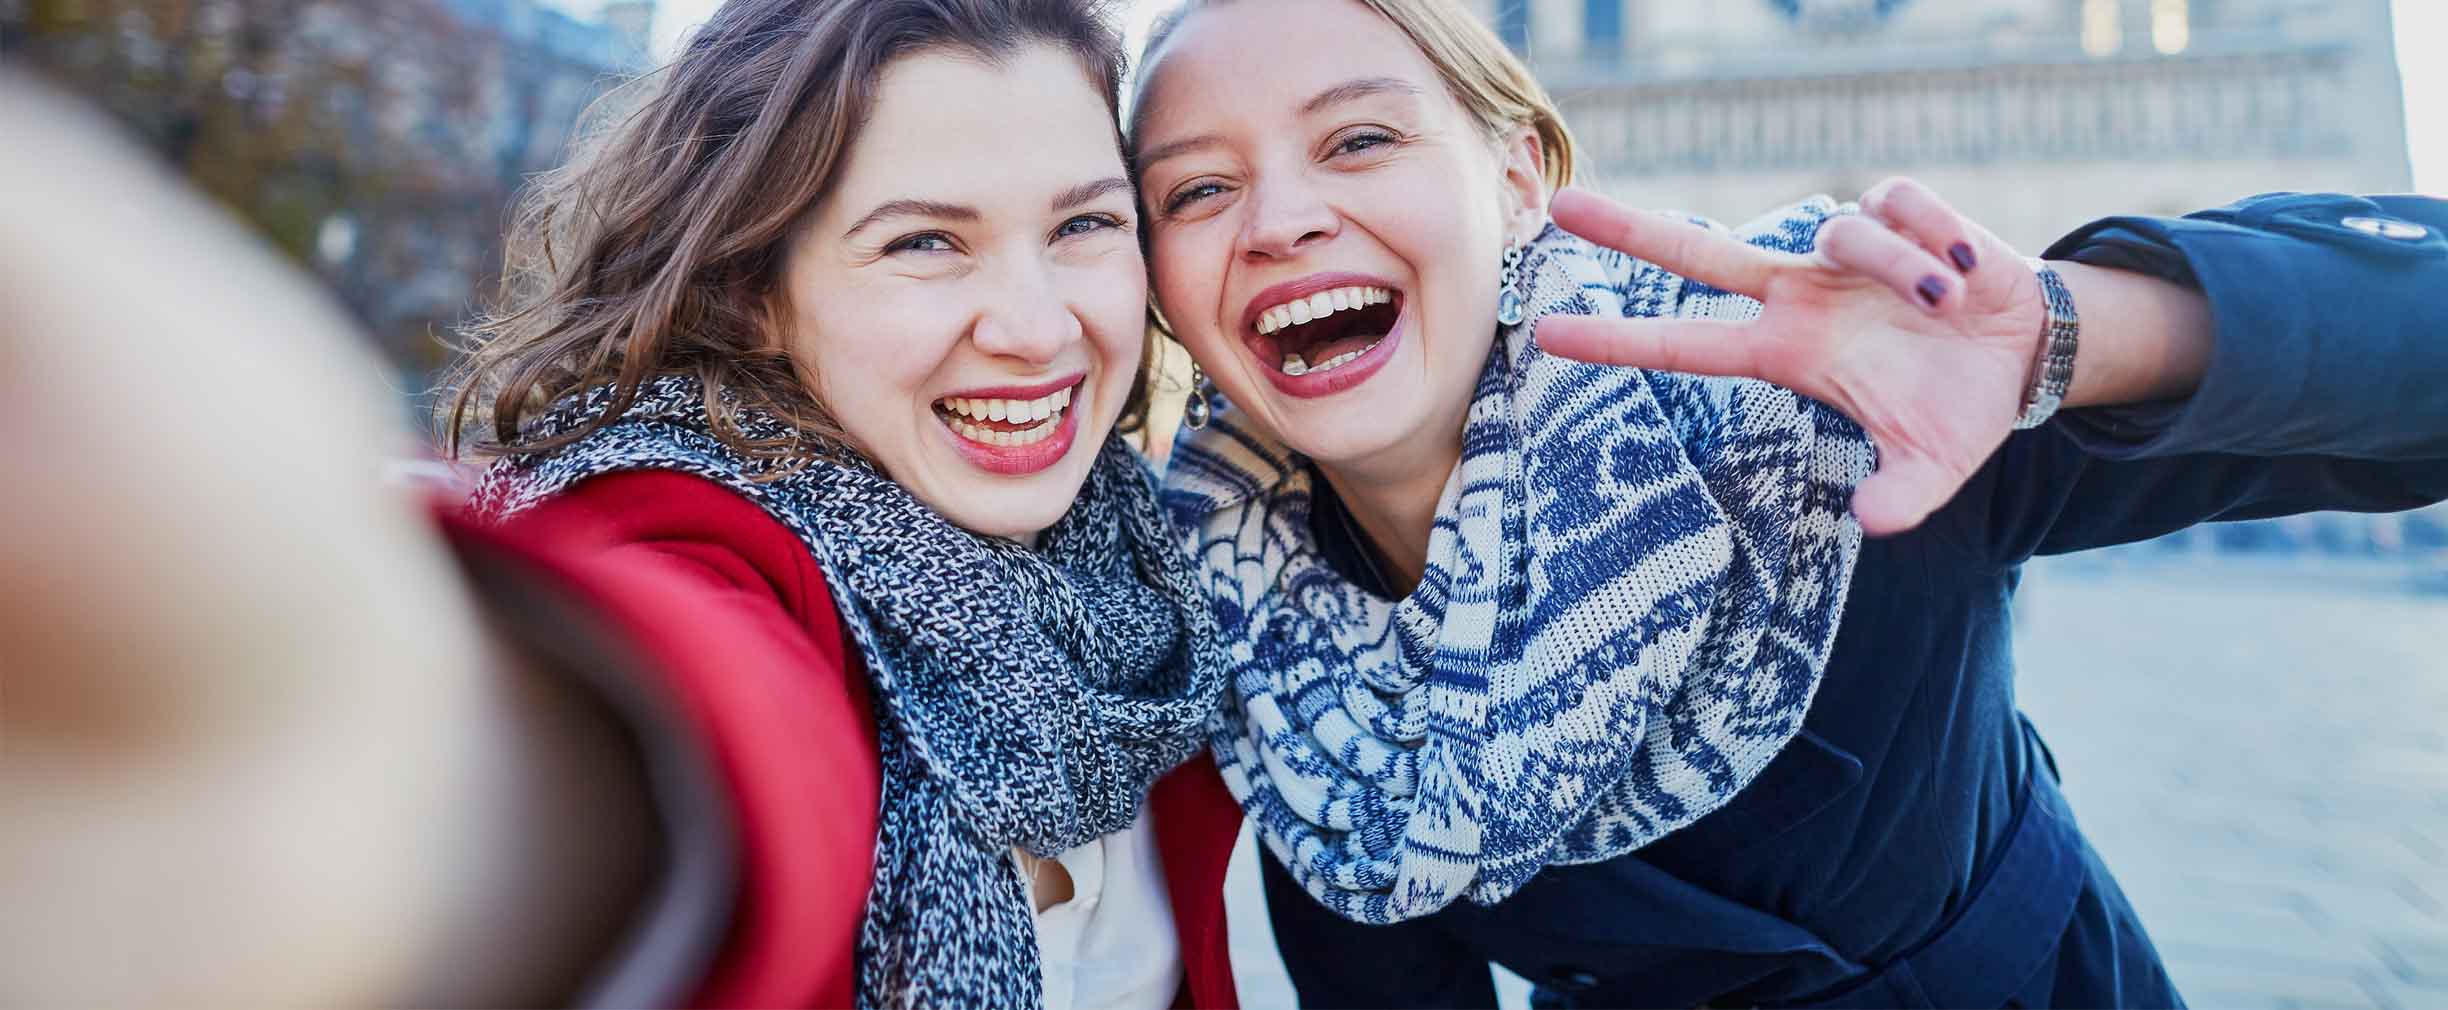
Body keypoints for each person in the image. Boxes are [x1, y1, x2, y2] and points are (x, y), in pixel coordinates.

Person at [1128, 1, 2448, 1006]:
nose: (1283, 217)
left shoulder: (1801, 408)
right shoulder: (1252, 659)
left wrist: (2071, 330)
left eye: (1360, 137)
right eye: (1197, 188)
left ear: (1521, 175)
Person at [6, 1, 1248, 1006]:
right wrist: (418, 784)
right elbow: (697, 726)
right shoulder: (687, 525)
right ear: (756, 290)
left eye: (1084, 222)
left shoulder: (1168, 576)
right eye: (926, 242)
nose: (1037, 327)